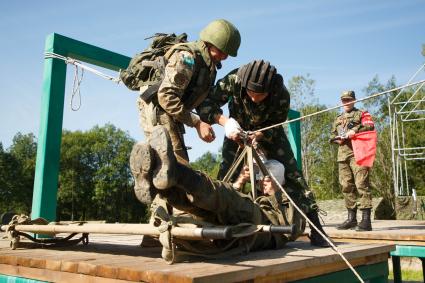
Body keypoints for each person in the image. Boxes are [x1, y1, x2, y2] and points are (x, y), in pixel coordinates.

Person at [197, 59, 329, 247]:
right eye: (251, 93)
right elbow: (206, 104)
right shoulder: (233, 80)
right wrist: (225, 122)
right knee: (226, 177)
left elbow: (278, 121)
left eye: (260, 95)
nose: (254, 99)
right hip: (236, 131)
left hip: (269, 133)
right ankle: (215, 228)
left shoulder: (281, 94)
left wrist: (259, 135)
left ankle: (317, 229)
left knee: (294, 175)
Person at [130, 126, 309, 259]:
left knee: (222, 195)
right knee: (198, 207)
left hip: (261, 227)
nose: (262, 180)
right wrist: (241, 180)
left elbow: (293, 228)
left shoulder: (288, 199)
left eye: (266, 177)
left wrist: (275, 195)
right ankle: (164, 188)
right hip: (242, 224)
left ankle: (176, 172)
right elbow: (231, 198)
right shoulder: (257, 193)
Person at [135, 19, 240, 204]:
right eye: (222, 51)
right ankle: (165, 216)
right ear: (211, 43)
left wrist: (223, 121)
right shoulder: (187, 58)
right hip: (158, 109)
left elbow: (199, 101)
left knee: (174, 168)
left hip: (172, 112)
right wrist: (197, 123)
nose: (225, 57)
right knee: (175, 167)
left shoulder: (208, 67)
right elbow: (166, 96)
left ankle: (152, 173)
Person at [330, 90, 375, 231]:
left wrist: (355, 130)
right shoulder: (338, 117)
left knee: (361, 184)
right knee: (346, 186)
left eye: (349, 99)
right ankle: (351, 219)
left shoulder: (361, 113)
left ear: (354, 100)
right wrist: (336, 139)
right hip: (342, 155)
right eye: (344, 100)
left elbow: (370, 125)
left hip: (358, 153)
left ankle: (366, 221)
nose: (346, 102)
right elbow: (332, 135)